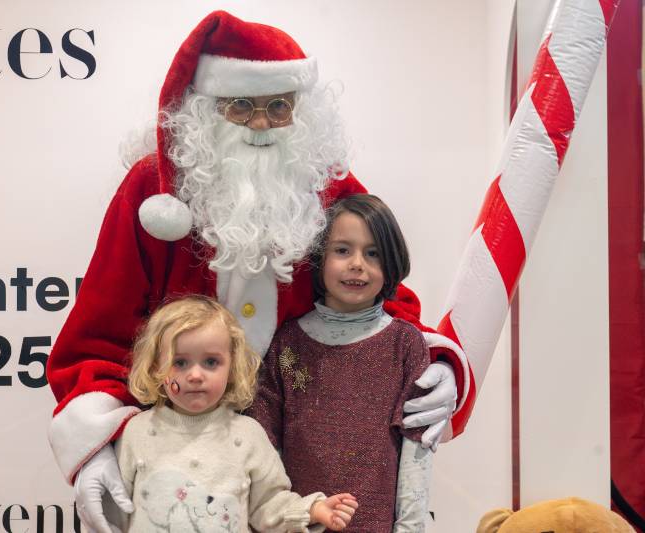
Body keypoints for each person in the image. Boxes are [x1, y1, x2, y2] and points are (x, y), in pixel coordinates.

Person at [45, 11, 471, 533]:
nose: (263, 124)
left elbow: (381, 298)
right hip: (177, 451)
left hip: (301, 459)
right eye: (242, 106)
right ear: (206, 110)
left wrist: (438, 365)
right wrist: (100, 445)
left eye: (279, 106)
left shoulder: (321, 183)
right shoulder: (152, 193)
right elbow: (97, 336)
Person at [250, 194, 434, 532]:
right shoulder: (288, 342)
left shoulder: (405, 344)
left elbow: (416, 450)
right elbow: (263, 445)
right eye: (343, 250)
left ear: (391, 261)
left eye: (373, 252)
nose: (357, 264)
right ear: (320, 259)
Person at [115, 295, 359, 532]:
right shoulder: (136, 432)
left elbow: (268, 504)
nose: (196, 375)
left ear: (232, 367)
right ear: (157, 367)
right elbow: (110, 515)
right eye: (179, 363)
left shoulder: (247, 434)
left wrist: (312, 510)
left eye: (211, 362)